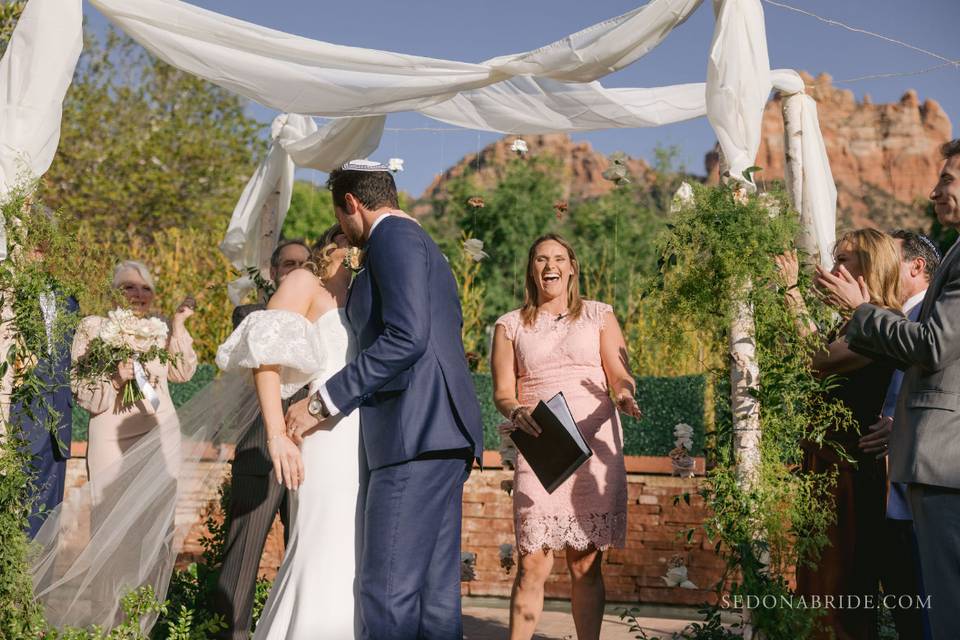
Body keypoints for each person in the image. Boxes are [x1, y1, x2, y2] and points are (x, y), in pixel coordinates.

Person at [283, 160, 484, 640]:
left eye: (340, 216)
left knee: (386, 588)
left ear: (351, 203)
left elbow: (407, 337)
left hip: (411, 430)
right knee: (435, 597)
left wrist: (320, 403)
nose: (344, 234)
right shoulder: (419, 242)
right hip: (440, 431)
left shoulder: (391, 239)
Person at [815, 139, 960, 640]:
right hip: (906, 461)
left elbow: (932, 348)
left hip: (930, 461)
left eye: (946, 179)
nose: (934, 190)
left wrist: (859, 311)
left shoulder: (884, 321)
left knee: (929, 599)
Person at [490, 233, 641, 640]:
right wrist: (515, 410)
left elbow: (619, 371)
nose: (549, 265)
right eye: (541, 259)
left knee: (584, 565)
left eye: (558, 258)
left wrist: (625, 393)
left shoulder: (599, 315)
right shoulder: (509, 325)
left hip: (593, 447)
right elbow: (503, 392)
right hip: (542, 448)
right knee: (532, 564)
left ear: (572, 268)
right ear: (532, 269)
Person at [217, 225, 362, 638]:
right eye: (350, 242)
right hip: (321, 437)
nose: (356, 251)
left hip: (359, 437)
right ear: (333, 243)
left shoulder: (362, 294)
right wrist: (277, 434)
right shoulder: (305, 283)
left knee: (350, 548)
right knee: (319, 543)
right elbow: (265, 358)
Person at [777, 229, 902, 640]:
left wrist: (792, 293)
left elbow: (816, 360)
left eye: (844, 261)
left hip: (848, 473)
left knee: (839, 583)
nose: (834, 270)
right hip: (825, 467)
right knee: (818, 578)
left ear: (871, 268)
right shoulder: (852, 324)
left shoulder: (883, 324)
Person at [211, 238, 310, 640]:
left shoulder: (324, 318)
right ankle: (228, 633)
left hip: (313, 454)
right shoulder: (251, 314)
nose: (296, 269)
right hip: (261, 450)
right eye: (289, 263)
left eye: (305, 263)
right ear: (272, 272)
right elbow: (264, 344)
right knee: (241, 554)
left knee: (305, 551)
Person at [859, 230, 938, 640]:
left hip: (921, 489)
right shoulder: (896, 317)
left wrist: (901, 423)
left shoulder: (928, 317)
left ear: (917, 267)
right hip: (893, 490)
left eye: (889, 259)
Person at [72, 260, 197, 485]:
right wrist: (116, 378)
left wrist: (178, 324)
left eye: (146, 288)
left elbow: (182, 373)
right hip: (110, 436)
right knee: (109, 510)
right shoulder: (93, 327)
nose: (139, 293)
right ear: (113, 293)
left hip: (159, 430)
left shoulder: (162, 327)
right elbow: (80, 387)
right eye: (129, 287)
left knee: (156, 513)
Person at [13, 289, 79, 539]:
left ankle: (43, 579)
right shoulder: (12, 294)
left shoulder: (70, 300)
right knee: (17, 514)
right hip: (21, 418)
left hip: (59, 421)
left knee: (50, 517)